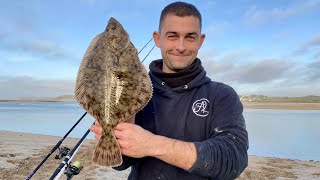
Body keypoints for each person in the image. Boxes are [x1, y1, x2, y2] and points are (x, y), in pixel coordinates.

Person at [90, 1, 248, 179]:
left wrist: (151, 144)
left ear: (200, 40)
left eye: (190, 37)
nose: (180, 47)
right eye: (172, 36)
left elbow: (233, 159)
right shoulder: (135, 90)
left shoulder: (221, 95)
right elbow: (122, 163)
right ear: (158, 39)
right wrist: (114, 136)